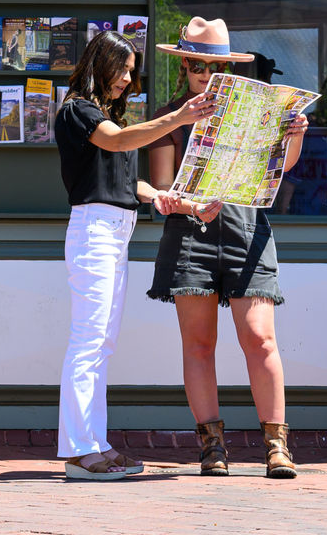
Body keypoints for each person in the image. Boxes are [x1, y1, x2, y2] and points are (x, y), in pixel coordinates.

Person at [144, 16, 308, 479]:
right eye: (195, 63)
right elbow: (160, 188)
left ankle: (277, 446)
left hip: (245, 230)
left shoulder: (256, 111)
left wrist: (295, 133)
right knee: (199, 344)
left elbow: (283, 170)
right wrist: (181, 201)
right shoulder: (171, 115)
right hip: (190, 234)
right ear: (183, 67)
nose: (204, 72)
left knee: (260, 338)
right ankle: (211, 447)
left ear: (229, 68)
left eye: (213, 65)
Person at [55, 29, 216, 482]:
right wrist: (179, 118)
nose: (128, 79)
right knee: (88, 341)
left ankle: (96, 444)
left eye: (131, 72)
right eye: (122, 70)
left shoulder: (108, 115)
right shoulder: (78, 111)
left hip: (114, 230)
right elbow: (119, 143)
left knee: (101, 343)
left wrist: (174, 201)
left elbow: (128, 183)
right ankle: (80, 451)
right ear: (100, 64)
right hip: (94, 232)